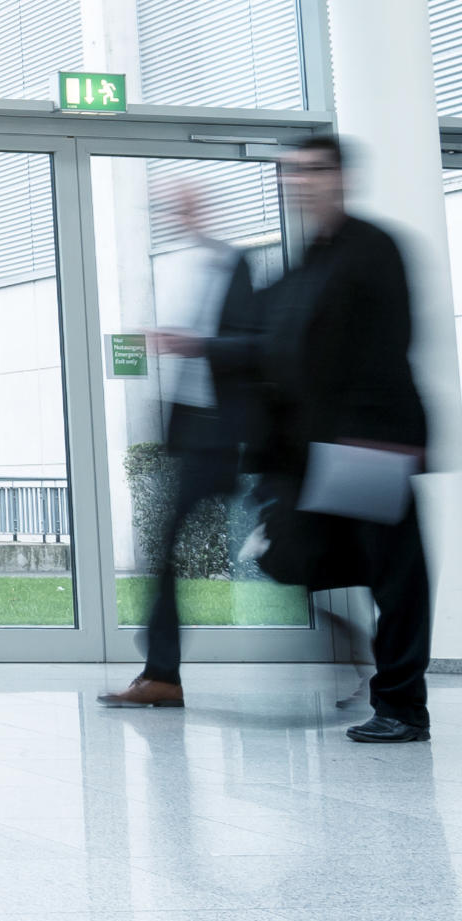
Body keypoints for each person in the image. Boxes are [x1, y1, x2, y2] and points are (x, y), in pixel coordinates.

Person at [154, 135, 431, 742]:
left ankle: (403, 707)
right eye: (290, 173)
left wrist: (384, 443)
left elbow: (391, 347)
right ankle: (372, 670)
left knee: (395, 573)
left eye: (311, 171)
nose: (298, 182)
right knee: (291, 556)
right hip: (318, 449)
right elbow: (276, 344)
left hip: (369, 444)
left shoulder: (372, 249)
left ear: (340, 177)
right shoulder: (310, 259)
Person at [102, 182, 267, 709]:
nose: (175, 213)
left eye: (183, 205)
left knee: (288, 547)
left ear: (203, 208)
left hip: (231, 434)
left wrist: (195, 344)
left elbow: (258, 346)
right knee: (168, 552)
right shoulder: (181, 266)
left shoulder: (233, 265)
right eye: (169, 207)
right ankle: (162, 674)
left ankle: (358, 649)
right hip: (197, 435)